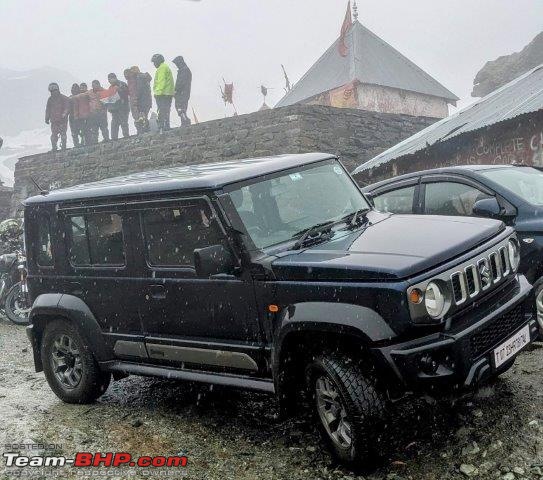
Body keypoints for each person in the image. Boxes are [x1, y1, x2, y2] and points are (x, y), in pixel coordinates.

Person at [124, 66, 152, 134]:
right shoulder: (133, 80)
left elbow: (138, 90)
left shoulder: (136, 78)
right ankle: (142, 130)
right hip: (139, 100)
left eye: (127, 74)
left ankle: (142, 130)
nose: (126, 76)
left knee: (140, 117)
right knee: (140, 116)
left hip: (138, 100)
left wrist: (136, 99)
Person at [151, 54, 174, 132]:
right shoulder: (165, 67)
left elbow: (161, 81)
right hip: (168, 93)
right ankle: (166, 125)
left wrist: (158, 93)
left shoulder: (162, 68)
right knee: (166, 110)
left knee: (162, 111)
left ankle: (162, 127)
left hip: (162, 94)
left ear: (158, 61)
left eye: (154, 62)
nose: (154, 64)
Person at [45, 83, 70, 151]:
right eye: (52, 91)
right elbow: (48, 109)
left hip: (62, 120)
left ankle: (63, 146)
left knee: (63, 134)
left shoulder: (64, 98)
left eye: (54, 90)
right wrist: (47, 117)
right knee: (54, 134)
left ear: (57, 89)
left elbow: (67, 108)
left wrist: (64, 115)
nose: (53, 92)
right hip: (54, 120)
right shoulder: (50, 99)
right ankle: (54, 147)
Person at [106, 73, 130, 140]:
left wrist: (119, 89)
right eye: (108, 79)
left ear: (115, 78)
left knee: (123, 122)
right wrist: (110, 108)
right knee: (114, 124)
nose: (109, 81)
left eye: (110, 79)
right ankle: (114, 138)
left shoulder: (122, 84)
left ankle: (126, 137)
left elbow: (127, 93)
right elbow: (110, 99)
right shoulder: (110, 87)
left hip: (123, 107)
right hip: (114, 109)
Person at [172, 56, 192, 126]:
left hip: (181, 92)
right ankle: (184, 121)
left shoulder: (184, 70)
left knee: (180, 107)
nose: (176, 65)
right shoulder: (184, 70)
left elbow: (181, 82)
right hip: (184, 92)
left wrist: (176, 90)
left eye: (177, 63)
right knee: (181, 107)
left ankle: (185, 120)